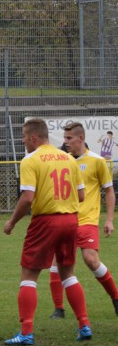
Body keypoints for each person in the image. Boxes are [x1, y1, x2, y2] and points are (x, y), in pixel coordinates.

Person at [2, 118, 91, 345]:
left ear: (33, 137)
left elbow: (28, 198)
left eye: (23, 137)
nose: (23, 141)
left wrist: (12, 222)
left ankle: (26, 332)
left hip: (46, 221)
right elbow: (81, 196)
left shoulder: (30, 160)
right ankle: (84, 325)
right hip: (71, 221)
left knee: (29, 275)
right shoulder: (69, 159)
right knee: (68, 274)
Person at [46, 121, 118, 320]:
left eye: (69, 138)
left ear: (81, 138)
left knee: (91, 260)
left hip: (87, 221)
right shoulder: (63, 160)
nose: (66, 142)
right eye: (65, 138)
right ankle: (59, 309)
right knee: (56, 262)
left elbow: (109, 191)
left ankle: (115, 297)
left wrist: (109, 219)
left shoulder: (97, 161)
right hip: (65, 219)